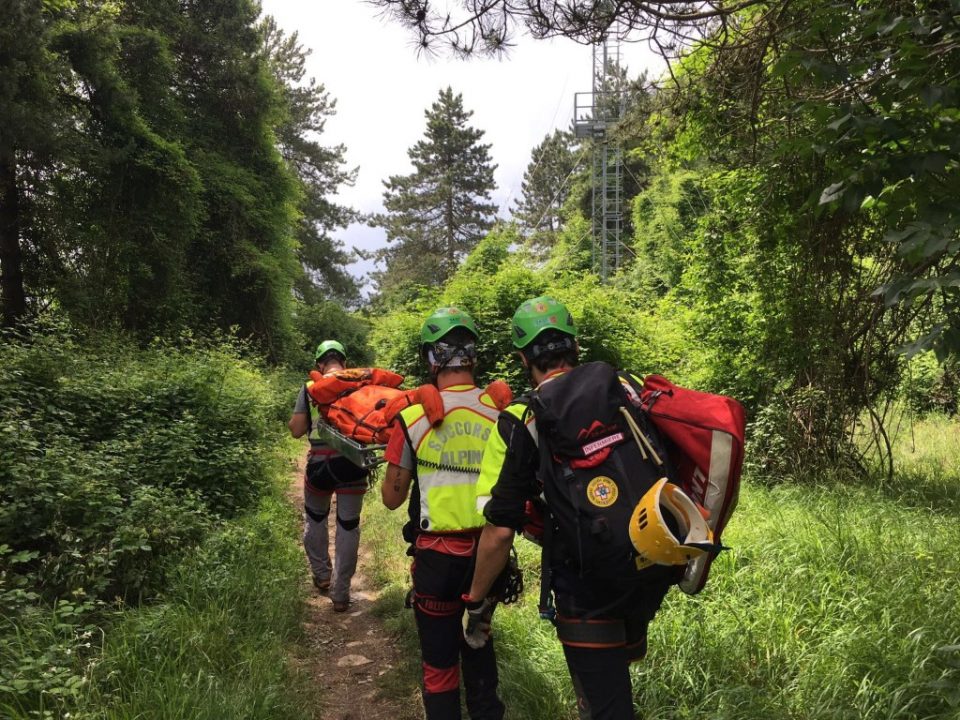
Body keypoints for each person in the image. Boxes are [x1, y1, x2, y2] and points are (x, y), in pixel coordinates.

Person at [464, 296, 682, 720]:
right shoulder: (625, 386)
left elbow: (501, 528)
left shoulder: (523, 418)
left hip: (584, 583)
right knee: (613, 686)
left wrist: (475, 601)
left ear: (524, 356)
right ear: (575, 346)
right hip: (654, 561)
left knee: (606, 706)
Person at [381, 308, 506, 720]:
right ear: (473, 357)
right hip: (487, 558)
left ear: (430, 359)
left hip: (436, 560)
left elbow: (392, 499)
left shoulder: (413, 417)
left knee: (439, 667)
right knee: (480, 649)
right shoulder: (501, 415)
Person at [288, 340, 369, 613]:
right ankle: (341, 593)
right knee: (348, 525)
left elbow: (297, 430)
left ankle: (322, 576)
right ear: (344, 363)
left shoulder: (311, 387)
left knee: (316, 518)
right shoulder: (359, 384)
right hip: (353, 466)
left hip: (320, 468)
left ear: (319, 365)